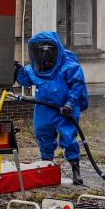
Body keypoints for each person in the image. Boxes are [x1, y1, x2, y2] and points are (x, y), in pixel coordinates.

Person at [14, 31, 90, 185]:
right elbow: (25, 80)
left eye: (48, 51)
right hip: (43, 108)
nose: (45, 55)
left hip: (64, 109)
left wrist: (70, 104)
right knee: (43, 135)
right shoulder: (36, 69)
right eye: (41, 51)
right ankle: (46, 168)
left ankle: (75, 171)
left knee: (68, 137)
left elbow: (77, 86)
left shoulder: (70, 67)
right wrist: (18, 70)